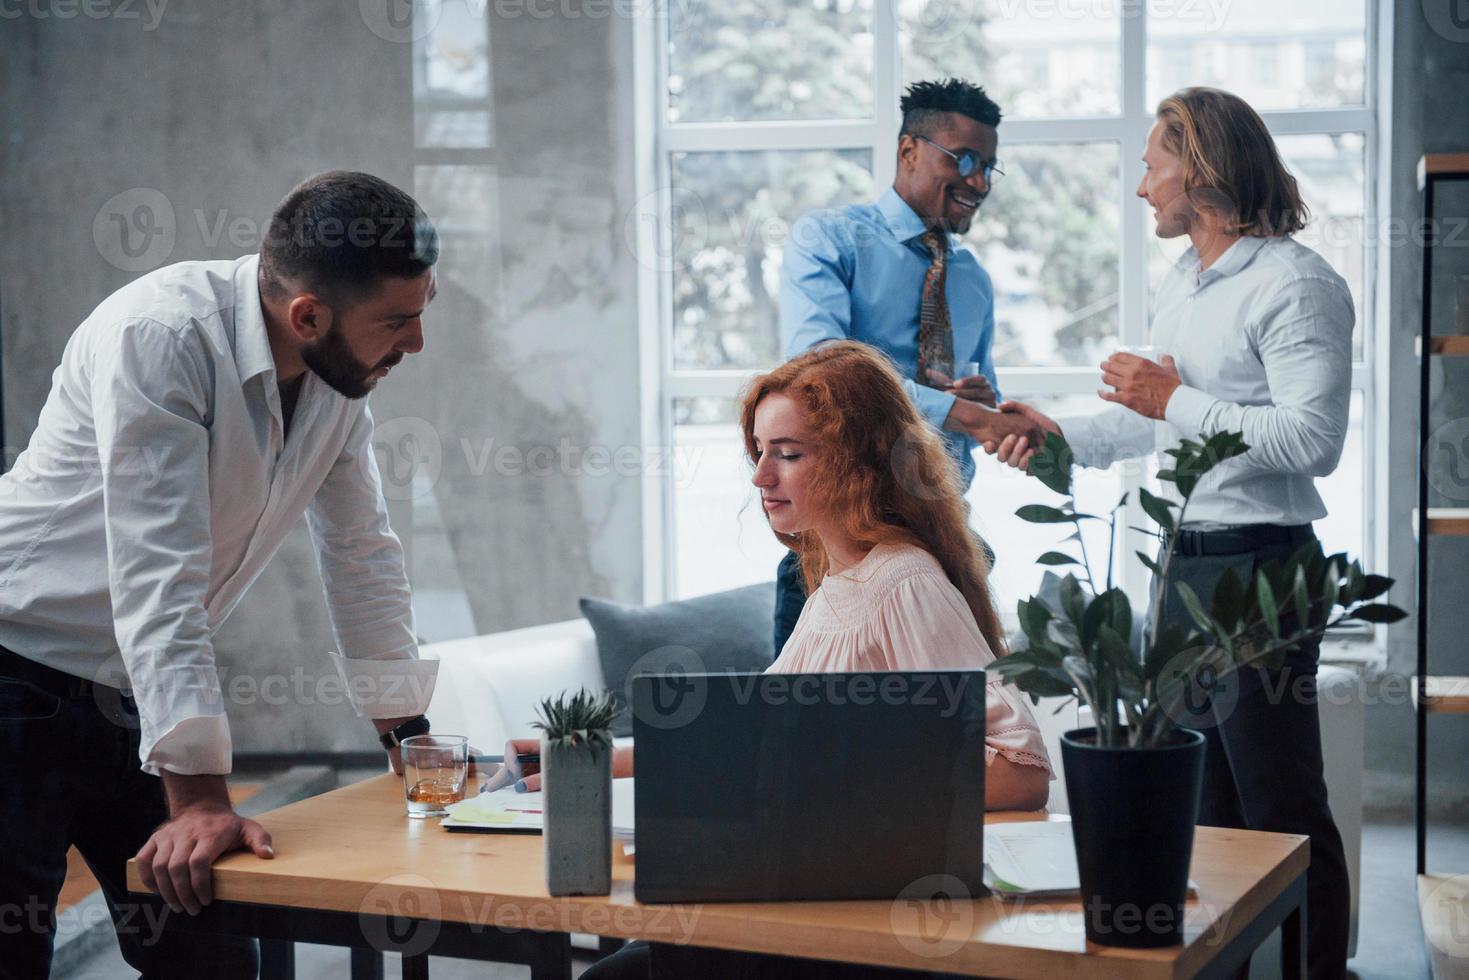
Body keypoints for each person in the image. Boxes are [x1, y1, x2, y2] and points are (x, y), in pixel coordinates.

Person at [0, 171, 444, 979]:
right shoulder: (161, 336)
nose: (415, 343)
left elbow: (362, 554)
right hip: (15, 668)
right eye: (399, 321)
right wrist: (202, 797)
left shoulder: (341, 376)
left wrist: (409, 741)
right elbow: (157, 572)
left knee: (208, 955)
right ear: (307, 315)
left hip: (132, 689)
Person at [527, 341, 1053, 980]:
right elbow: (757, 742)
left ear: (858, 463)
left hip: (851, 933)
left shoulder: (903, 583)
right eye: (759, 453)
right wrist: (584, 757)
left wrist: (834, 785)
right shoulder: (837, 583)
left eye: (789, 454)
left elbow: (1022, 769)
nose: (760, 477)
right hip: (796, 903)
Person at [989, 87, 1354, 977]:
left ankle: (1320, 974)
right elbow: (1163, 428)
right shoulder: (1183, 284)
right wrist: (1057, 437)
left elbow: (1314, 442)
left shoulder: (1296, 284)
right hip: (1182, 570)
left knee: (1279, 804)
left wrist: (1172, 397)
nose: (1141, 187)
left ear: (1200, 168)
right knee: (1205, 814)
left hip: (1262, 570)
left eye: (1152, 165)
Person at [772, 77, 1045, 655]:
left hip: (943, 540)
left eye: (988, 167)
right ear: (908, 151)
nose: (978, 181)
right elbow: (823, 370)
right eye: (965, 159)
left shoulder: (973, 280)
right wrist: (963, 413)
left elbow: (981, 401)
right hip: (843, 546)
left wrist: (984, 406)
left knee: (950, 737)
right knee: (805, 740)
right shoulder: (829, 239)